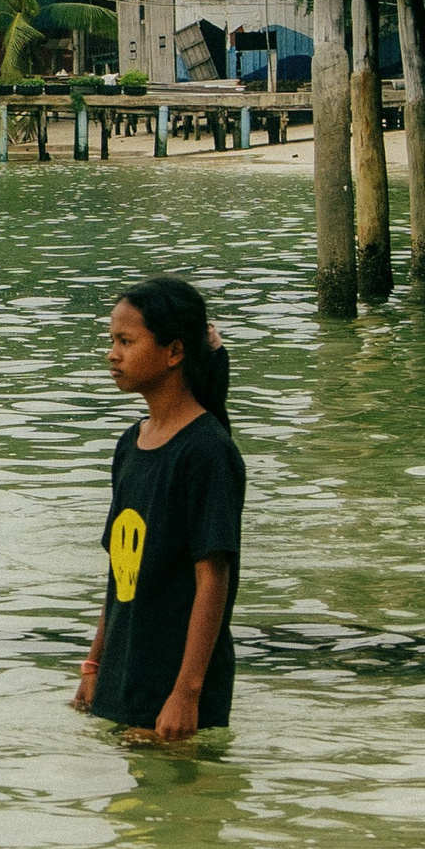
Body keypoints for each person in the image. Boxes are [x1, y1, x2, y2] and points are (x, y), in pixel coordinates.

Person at [71, 277, 244, 744]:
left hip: (175, 696)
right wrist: (94, 665)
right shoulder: (131, 444)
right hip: (124, 679)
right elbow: (120, 572)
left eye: (126, 341)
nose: (112, 354)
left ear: (174, 352)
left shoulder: (207, 452)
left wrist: (187, 693)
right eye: (112, 341)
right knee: (132, 814)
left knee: (184, 811)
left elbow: (213, 579)